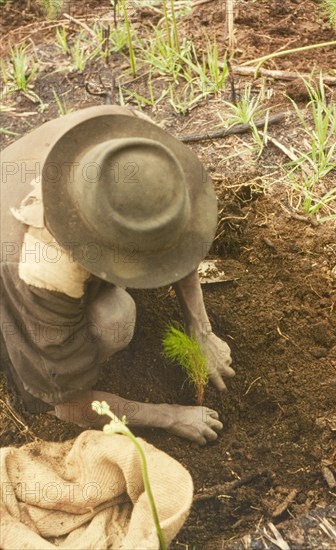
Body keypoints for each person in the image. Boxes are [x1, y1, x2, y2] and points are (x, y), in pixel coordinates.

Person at [0, 105, 234, 445]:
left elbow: (178, 238)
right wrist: (170, 416)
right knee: (114, 321)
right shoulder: (43, 269)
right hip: (9, 276)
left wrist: (201, 329)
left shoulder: (137, 147)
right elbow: (72, 406)